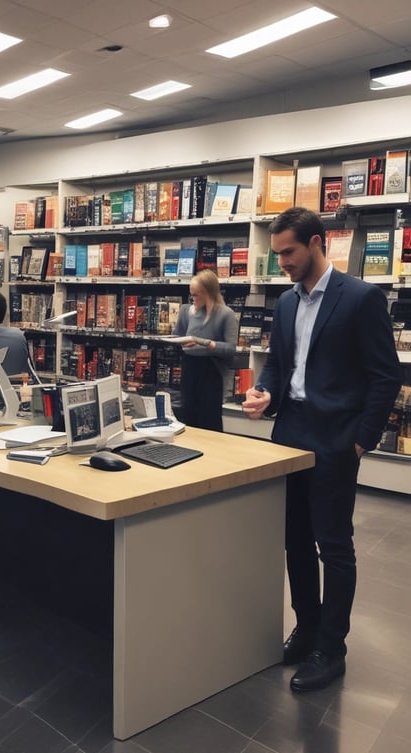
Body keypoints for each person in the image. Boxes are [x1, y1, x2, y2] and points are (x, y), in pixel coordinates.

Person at [242, 207, 401, 692]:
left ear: (317, 243)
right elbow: (277, 364)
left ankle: (332, 648)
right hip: (289, 432)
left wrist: (360, 441)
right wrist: (264, 393)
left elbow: (385, 375)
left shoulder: (361, 298)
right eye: (277, 254)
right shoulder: (287, 303)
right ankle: (307, 626)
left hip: (336, 439)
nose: (282, 262)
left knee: (333, 545)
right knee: (294, 539)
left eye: (289, 252)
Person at [171, 268, 238, 431]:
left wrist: (205, 343)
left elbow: (230, 349)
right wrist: (180, 342)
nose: (192, 299)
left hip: (211, 370)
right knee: (188, 415)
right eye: (191, 295)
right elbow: (176, 336)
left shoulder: (226, 314)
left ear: (209, 293)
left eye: (196, 295)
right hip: (189, 367)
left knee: (209, 418)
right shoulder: (186, 311)